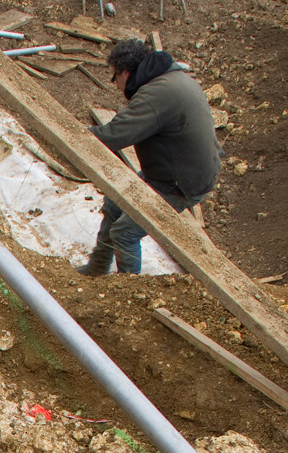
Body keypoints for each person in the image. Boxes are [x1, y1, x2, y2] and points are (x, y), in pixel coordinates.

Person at [80, 38, 221, 275]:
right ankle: (97, 268)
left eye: (115, 77)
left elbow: (114, 135)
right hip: (173, 168)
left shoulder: (155, 96)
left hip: (181, 182)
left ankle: (127, 296)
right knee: (115, 204)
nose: (116, 86)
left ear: (126, 72)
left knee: (125, 232)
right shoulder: (172, 78)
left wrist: (74, 133)